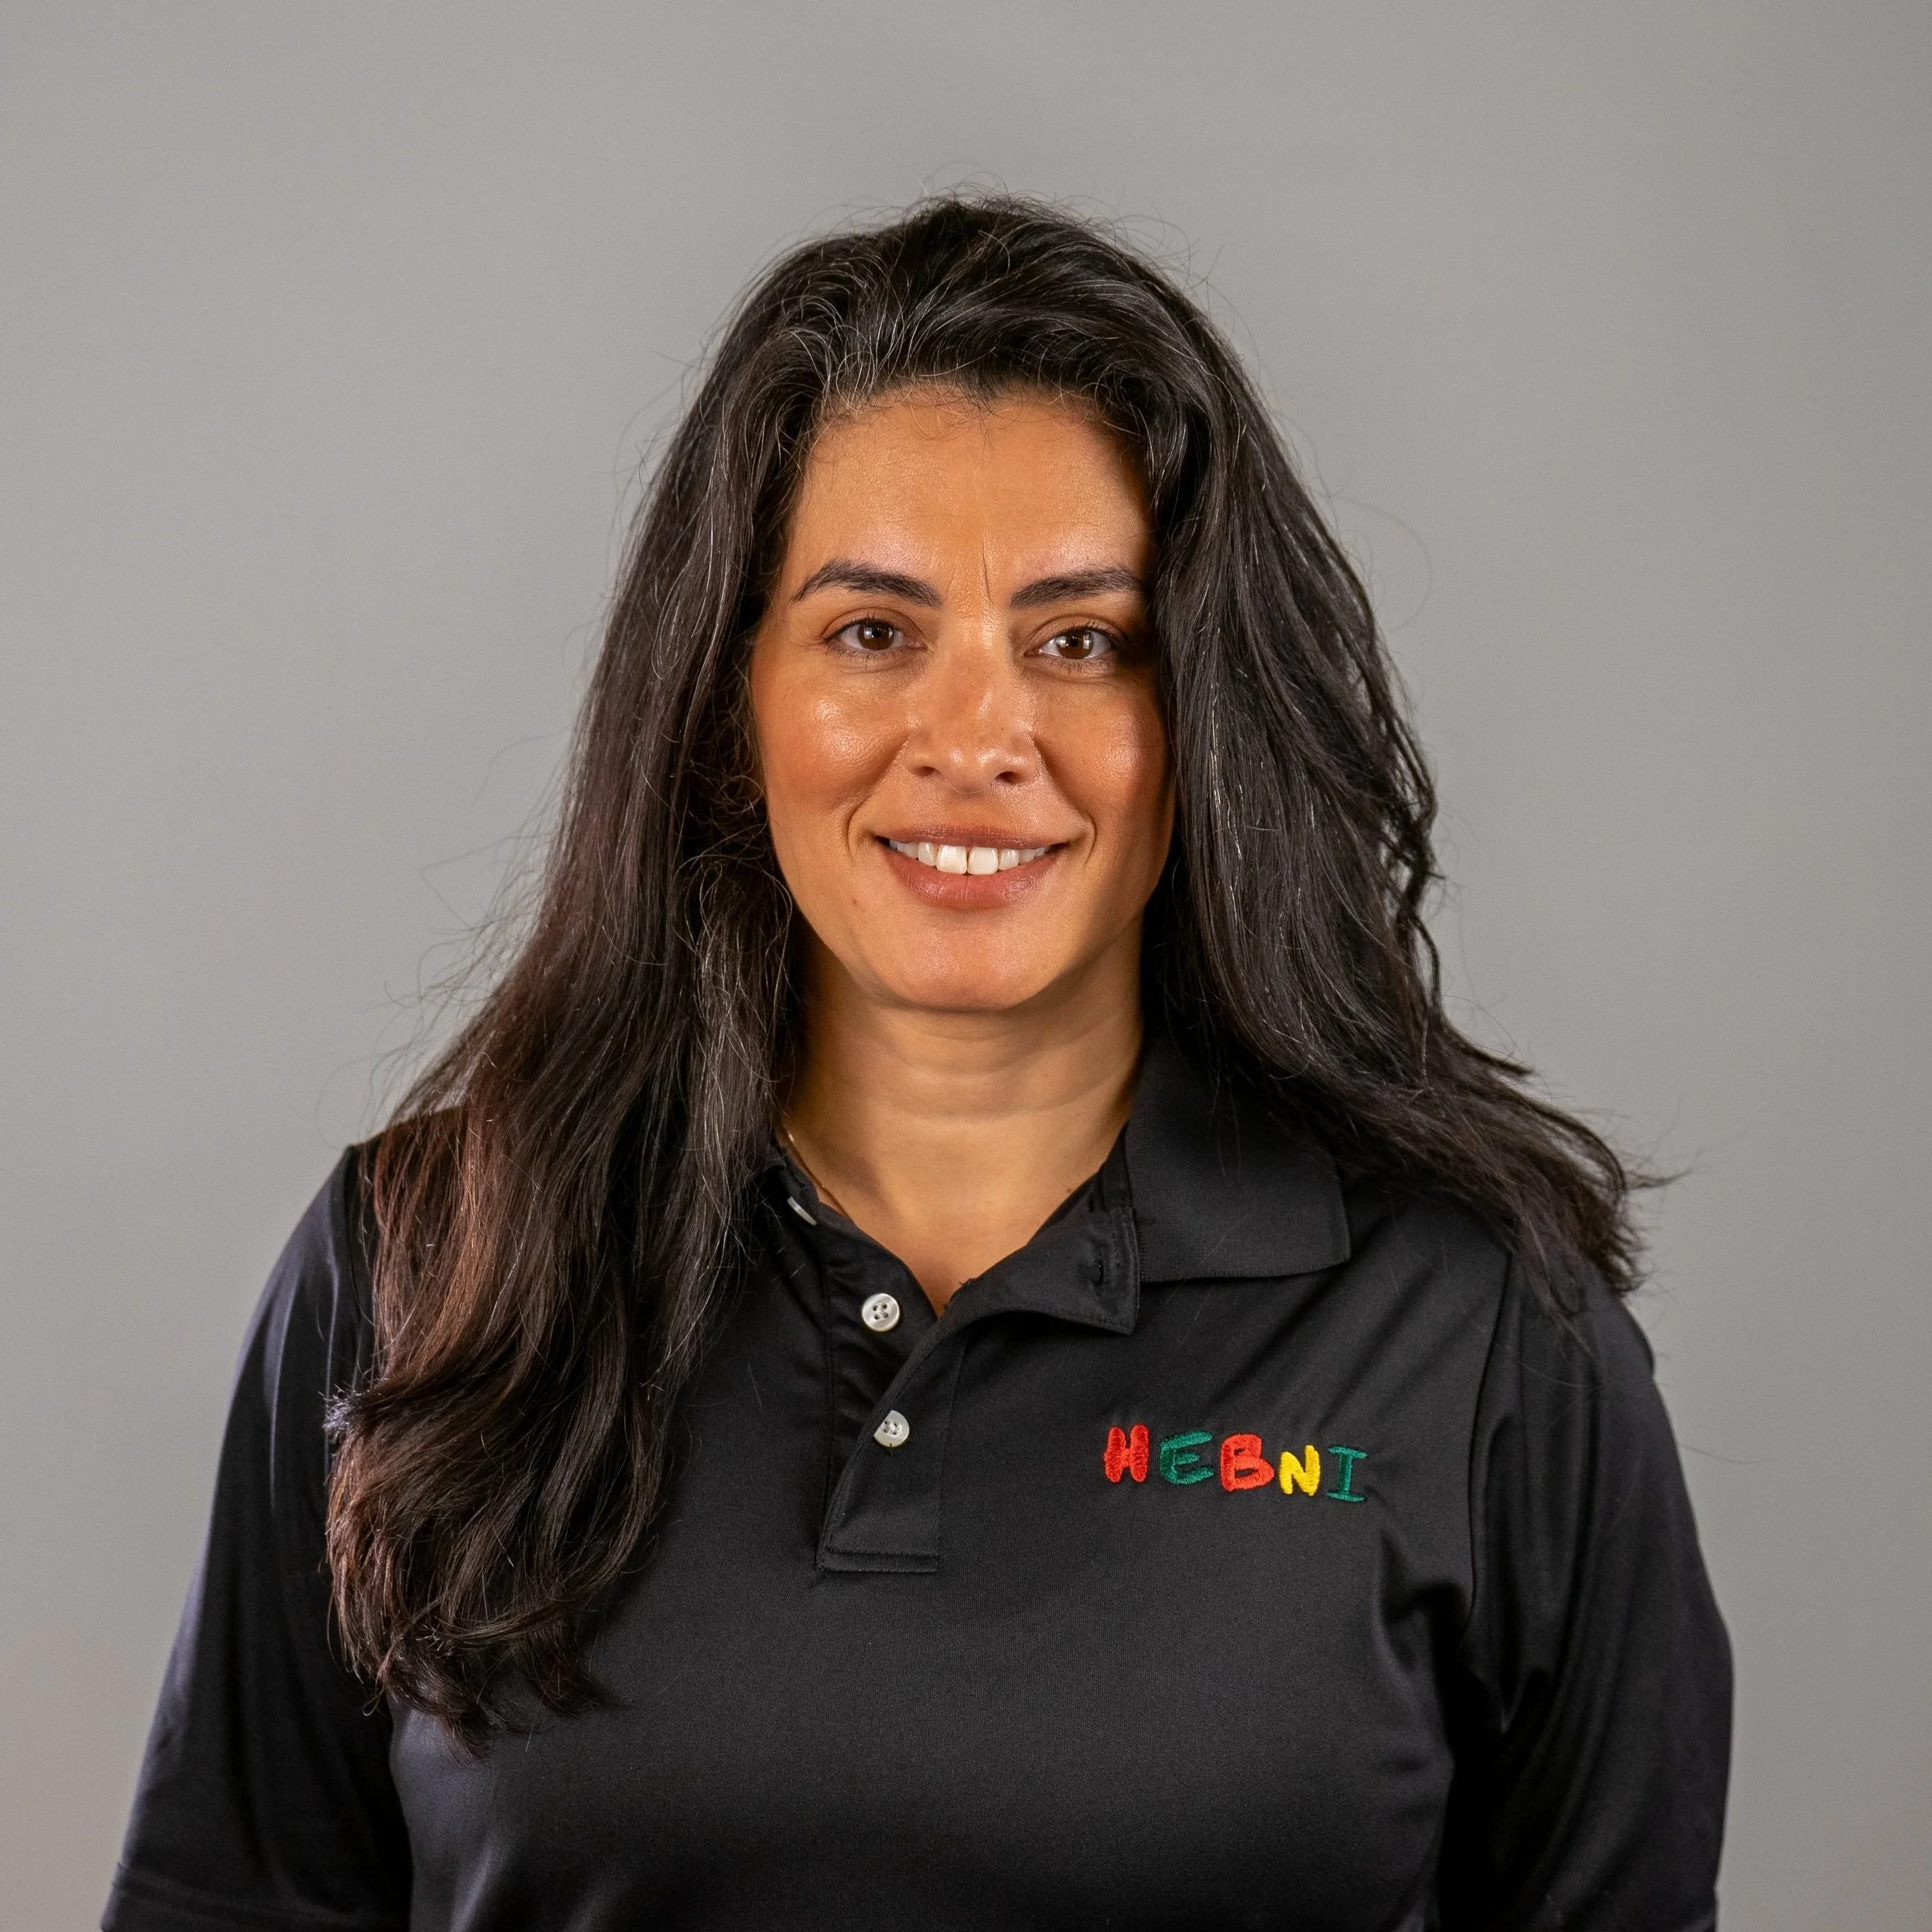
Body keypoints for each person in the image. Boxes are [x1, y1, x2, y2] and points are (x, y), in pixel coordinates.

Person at [105, 196, 1730, 1932]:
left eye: (1080, 640)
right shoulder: (428, 1265)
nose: (974, 740)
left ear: (1203, 715)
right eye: (871, 631)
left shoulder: (1479, 1330)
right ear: (727, 700)